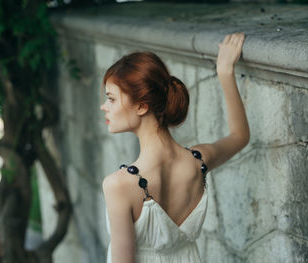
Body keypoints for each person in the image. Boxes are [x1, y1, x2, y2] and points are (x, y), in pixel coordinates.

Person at [100, 32, 250, 263]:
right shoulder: (198, 162)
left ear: (141, 106)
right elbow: (240, 136)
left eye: (111, 99)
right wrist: (225, 72)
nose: (104, 107)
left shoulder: (119, 185)